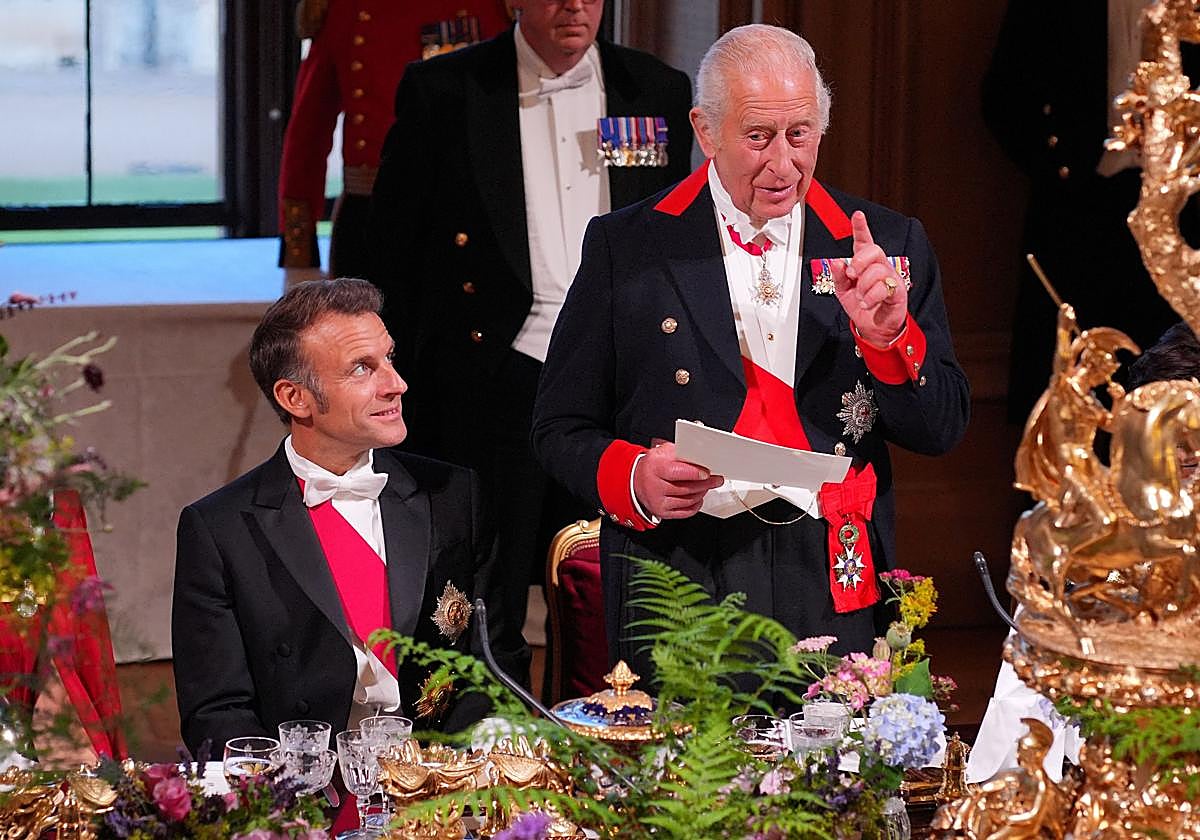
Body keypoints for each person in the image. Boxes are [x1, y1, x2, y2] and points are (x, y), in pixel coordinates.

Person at [532, 24, 970, 680]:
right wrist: (634, 478)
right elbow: (557, 428)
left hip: (827, 572)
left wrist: (887, 339)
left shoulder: (887, 245)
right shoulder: (629, 248)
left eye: (800, 134)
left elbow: (941, 428)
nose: (783, 163)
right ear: (705, 131)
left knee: (830, 781)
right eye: (758, 137)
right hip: (677, 570)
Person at [366, 0, 694, 652]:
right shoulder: (445, 90)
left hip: (617, 388)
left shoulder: (656, 88)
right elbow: (393, 254)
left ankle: (603, 746)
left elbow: (672, 242)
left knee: (612, 602)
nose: (574, 5)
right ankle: (481, 750)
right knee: (482, 604)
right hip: (489, 382)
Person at [172, 279, 525, 755]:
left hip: (437, 786)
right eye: (363, 369)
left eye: (389, 359)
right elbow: (217, 712)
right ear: (295, 398)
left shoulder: (454, 495)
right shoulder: (220, 529)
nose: (396, 384)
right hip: (300, 801)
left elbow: (497, 665)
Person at [277, 0, 512, 285]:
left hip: (468, 212)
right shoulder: (346, 8)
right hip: (370, 215)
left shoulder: (494, 6)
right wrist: (299, 248)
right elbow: (309, 131)